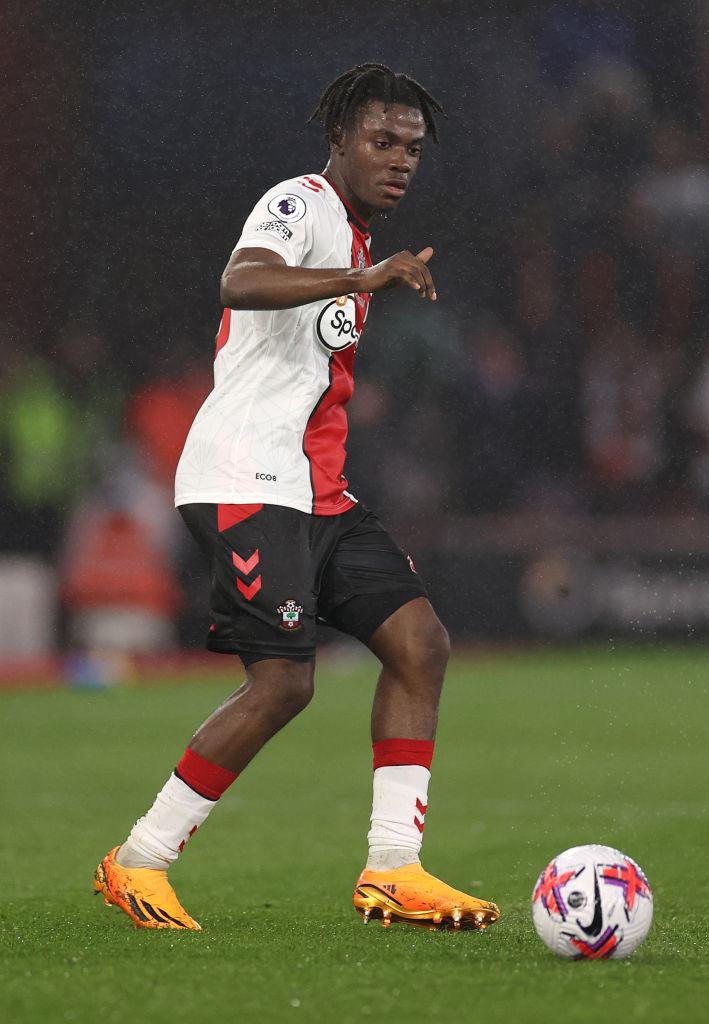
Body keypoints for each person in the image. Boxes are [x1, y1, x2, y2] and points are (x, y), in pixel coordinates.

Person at [94, 63, 500, 933]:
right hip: (244, 478)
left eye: (411, 148)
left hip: (316, 490)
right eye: (381, 142)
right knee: (282, 683)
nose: (399, 160)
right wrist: (359, 281)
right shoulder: (301, 203)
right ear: (339, 140)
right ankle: (139, 860)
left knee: (419, 643)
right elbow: (240, 280)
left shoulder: (354, 235)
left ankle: (393, 868)